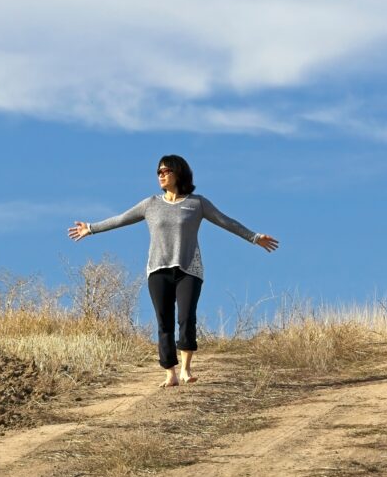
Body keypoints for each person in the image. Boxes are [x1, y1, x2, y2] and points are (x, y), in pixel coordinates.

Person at [68, 155, 279, 387]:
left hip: (189, 269)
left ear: (179, 173)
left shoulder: (197, 203)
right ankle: (170, 373)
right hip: (158, 270)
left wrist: (254, 237)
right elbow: (121, 219)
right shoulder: (150, 204)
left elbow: (225, 221)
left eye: (166, 171)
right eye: (158, 171)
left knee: (186, 318)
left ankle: (186, 369)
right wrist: (91, 228)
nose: (161, 174)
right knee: (164, 322)